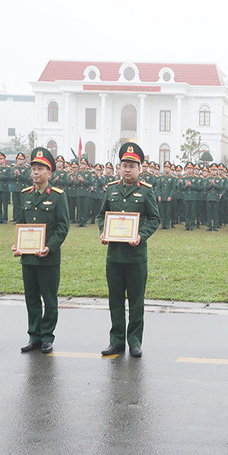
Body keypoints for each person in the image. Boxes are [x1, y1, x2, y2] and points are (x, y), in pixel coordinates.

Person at [98, 143, 160, 358]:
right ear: (119, 167)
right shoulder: (112, 189)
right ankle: (116, 341)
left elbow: (154, 218)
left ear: (139, 169)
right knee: (115, 300)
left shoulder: (146, 192)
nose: (127, 169)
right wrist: (103, 231)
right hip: (114, 256)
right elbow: (101, 215)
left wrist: (141, 235)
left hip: (135, 256)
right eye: (124, 165)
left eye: (132, 166)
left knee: (136, 301)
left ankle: (134, 341)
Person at [12, 147, 70, 354]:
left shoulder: (57, 196)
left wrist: (50, 247)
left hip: (48, 258)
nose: (35, 172)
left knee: (49, 299)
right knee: (31, 298)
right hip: (28, 259)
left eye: (40, 169)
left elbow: (63, 226)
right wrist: (17, 245)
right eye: (33, 168)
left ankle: (47, 336)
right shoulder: (24, 195)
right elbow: (21, 223)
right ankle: (34, 336)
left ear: (49, 173)